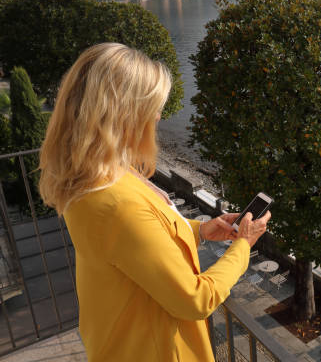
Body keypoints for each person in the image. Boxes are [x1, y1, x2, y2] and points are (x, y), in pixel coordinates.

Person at [38, 42, 271, 362]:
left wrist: (201, 230)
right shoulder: (115, 203)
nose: (159, 115)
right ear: (122, 115)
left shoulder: (95, 178)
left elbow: (137, 242)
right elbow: (194, 299)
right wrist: (243, 245)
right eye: (152, 107)